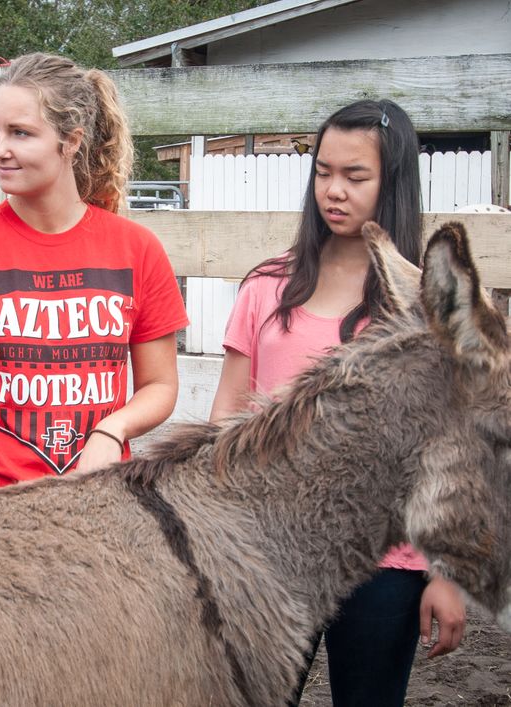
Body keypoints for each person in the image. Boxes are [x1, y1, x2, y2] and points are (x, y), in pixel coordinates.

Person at [208, 99, 466, 706]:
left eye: (356, 176)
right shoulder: (266, 287)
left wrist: (446, 575)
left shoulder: (423, 309)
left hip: (384, 563)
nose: (334, 190)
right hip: (270, 552)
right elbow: (225, 421)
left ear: (393, 182)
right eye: (323, 172)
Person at [0, 53, 188, 494]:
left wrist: (111, 430)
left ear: (71, 141)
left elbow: (159, 385)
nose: (0, 149)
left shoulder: (137, 250)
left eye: (21, 133)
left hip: (97, 501)